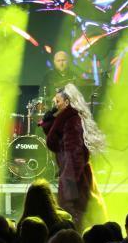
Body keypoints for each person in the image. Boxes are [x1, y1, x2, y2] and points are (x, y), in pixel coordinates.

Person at [39, 83, 106, 229]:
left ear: (67, 102)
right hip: (74, 176)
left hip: (75, 178)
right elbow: (57, 141)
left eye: (58, 101)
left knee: (75, 215)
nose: (55, 104)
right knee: (78, 215)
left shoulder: (72, 120)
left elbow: (74, 154)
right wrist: (49, 121)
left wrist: (68, 182)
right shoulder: (66, 118)